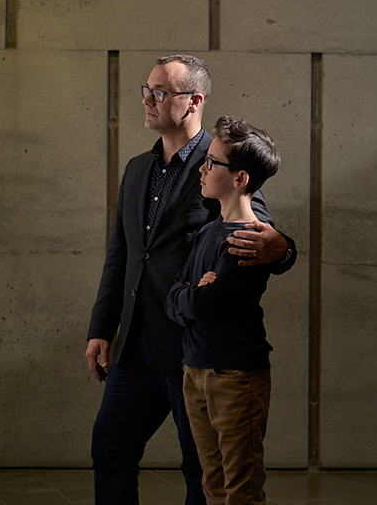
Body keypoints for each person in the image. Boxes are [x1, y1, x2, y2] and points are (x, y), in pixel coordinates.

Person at [85, 55, 297, 505]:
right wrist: (102, 328)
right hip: (134, 344)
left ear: (194, 101)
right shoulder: (136, 169)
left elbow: (255, 231)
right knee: (110, 450)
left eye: (160, 92)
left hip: (190, 346)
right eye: (146, 89)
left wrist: (284, 248)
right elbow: (121, 255)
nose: (148, 99)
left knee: (202, 470)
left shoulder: (220, 163)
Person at [167, 116, 281, 505]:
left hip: (234, 375)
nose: (203, 167)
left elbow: (206, 303)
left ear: (240, 179)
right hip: (195, 368)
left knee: (240, 490)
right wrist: (189, 295)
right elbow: (174, 299)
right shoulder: (207, 232)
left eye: (212, 162)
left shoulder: (250, 239)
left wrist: (189, 295)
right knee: (212, 482)